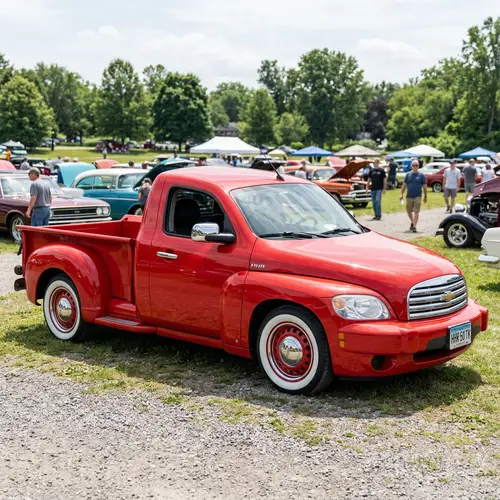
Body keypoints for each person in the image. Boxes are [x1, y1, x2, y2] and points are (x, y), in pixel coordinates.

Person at [400, 161, 428, 233]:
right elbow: (404, 185)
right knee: (409, 211)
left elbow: (425, 186)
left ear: (418, 166)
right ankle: (413, 222)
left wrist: (425, 196)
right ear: (411, 166)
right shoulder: (408, 175)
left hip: (418, 196)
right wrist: (401, 194)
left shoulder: (421, 175)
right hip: (409, 196)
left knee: (416, 212)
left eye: (416, 165)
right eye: (414, 165)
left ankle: (414, 226)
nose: (415, 166)